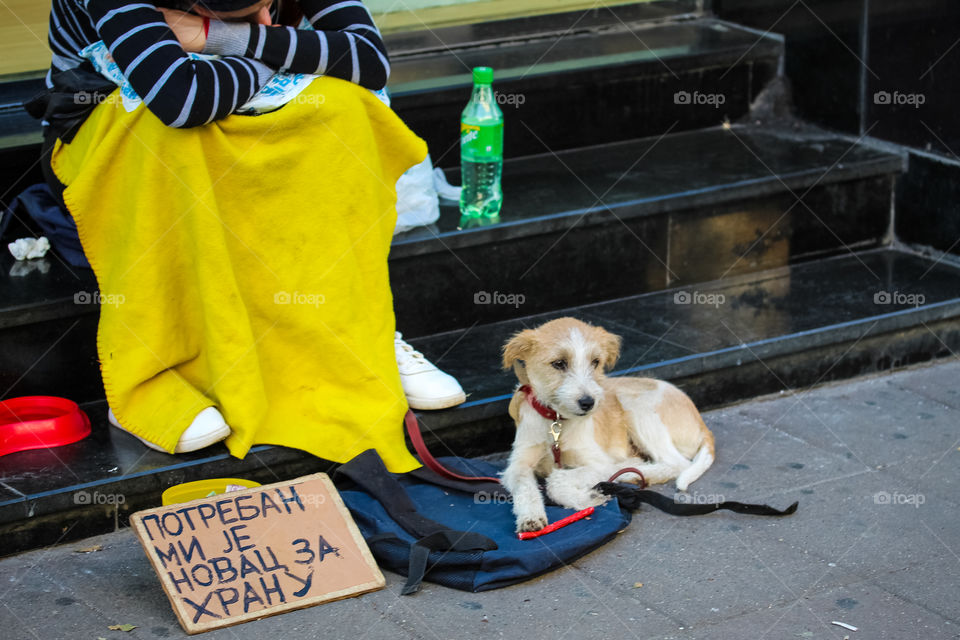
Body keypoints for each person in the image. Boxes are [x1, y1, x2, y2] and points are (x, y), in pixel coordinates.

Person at [37, 0, 457, 469]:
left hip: (242, 110)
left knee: (345, 108)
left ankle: (364, 337)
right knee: (171, 137)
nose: (258, 8)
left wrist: (219, 39)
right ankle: (154, 366)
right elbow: (182, 100)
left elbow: (369, 62)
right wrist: (285, 53)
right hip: (110, 131)